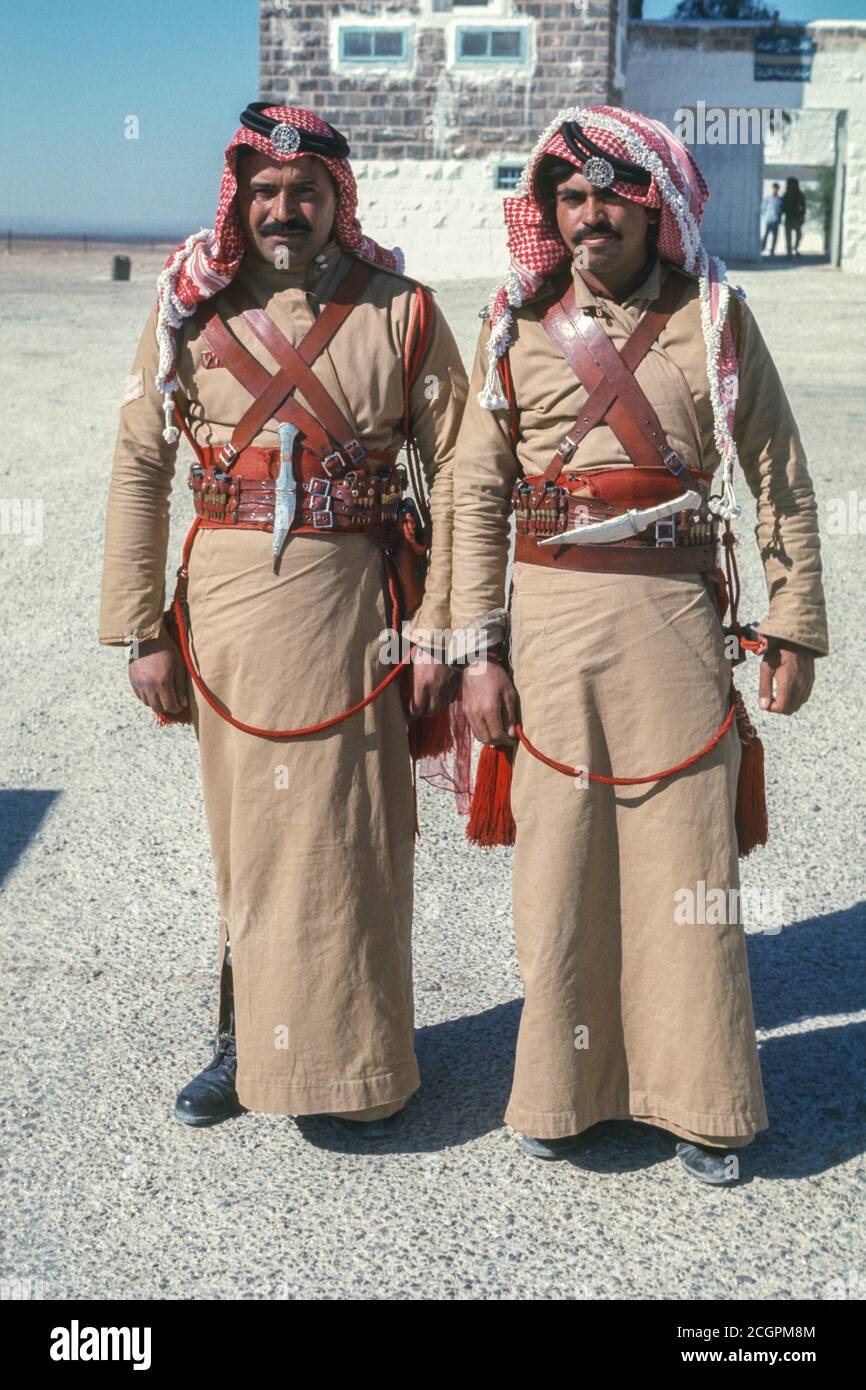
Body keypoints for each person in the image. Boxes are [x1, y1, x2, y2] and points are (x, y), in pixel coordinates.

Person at [449, 106, 828, 1184]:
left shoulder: (713, 318)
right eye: (567, 198)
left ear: (651, 202)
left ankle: (700, 1098)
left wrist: (791, 619)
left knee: (681, 861)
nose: (585, 216)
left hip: (673, 618)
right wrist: (476, 648)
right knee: (559, 860)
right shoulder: (511, 326)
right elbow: (477, 494)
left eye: (607, 197)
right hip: (547, 624)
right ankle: (562, 1092)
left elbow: (777, 476)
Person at [99, 104, 467, 1135]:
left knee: (354, 830)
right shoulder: (186, 307)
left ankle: (362, 1059)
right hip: (227, 609)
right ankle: (238, 1043)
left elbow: (467, 468)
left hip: (361, 605)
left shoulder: (400, 310)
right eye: (263, 191)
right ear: (238, 200)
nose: (283, 209)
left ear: (336, 200)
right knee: (252, 834)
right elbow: (139, 462)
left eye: (304, 192)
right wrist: (141, 628)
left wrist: (446, 623)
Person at [781, 176, 806, 257]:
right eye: (790, 184)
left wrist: (802, 216)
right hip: (788, 218)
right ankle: (789, 252)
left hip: (797, 218)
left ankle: (795, 248)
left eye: (792, 184)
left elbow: (803, 206)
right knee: (788, 236)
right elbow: (782, 207)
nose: (791, 185)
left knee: (799, 234)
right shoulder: (786, 194)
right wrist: (781, 216)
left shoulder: (800, 194)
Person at [761, 181, 782, 255]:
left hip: (776, 220)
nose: (775, 190)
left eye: (777, 189)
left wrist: (780, 219)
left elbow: (780, 210)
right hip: (769, 219)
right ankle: (762, 248)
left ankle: (772, 250)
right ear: (772, 189)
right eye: (774, 188)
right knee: (766, 235)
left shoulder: (780, 199)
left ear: (778, 189)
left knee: (775, 236)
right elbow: (763, 208)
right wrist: (762, 216)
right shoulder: (768, 198)